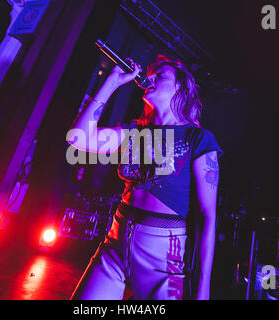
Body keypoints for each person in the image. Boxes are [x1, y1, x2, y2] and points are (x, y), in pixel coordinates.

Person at [68, 55, 222, 300]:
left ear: (180, 86)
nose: (149, 78)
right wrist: (112, 82)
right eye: (150, 73)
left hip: (164, 255)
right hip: (115, 244)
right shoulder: (135, 131)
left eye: (160, 75)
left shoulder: (198, 139)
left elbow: (207, 215)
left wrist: (203, 289)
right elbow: (77, 139)